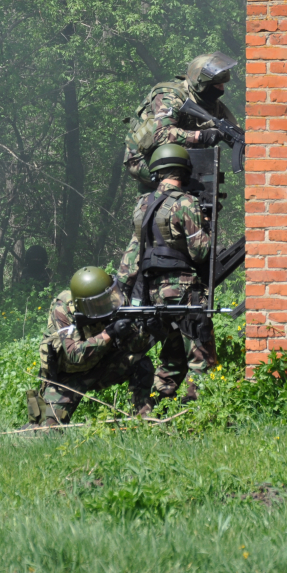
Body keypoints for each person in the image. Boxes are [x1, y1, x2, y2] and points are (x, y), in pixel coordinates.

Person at [117, 144, 216, 402]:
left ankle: (156, 404)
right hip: (184, 290)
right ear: (183, 169)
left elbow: (132, 255)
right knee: (201, 352)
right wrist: (206, 228)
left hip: (154, 294)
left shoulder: (142, 206)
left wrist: (123, 290)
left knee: (173, 354)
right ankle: (200, 410)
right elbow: (200, 253)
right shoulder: (186, 202)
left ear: (158, 171)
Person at [22, 266, 155, 430]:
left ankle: (142, 422)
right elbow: (73, 354)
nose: (106, 303)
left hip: (103, 367)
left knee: (142, 364)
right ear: (85, 304)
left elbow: (134, 348)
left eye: (107, 297)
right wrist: (109, 333)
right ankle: (30, 427)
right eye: (99, 302)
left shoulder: (115, 300)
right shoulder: (63, 309)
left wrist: (146, 330)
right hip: (67, 378)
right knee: (45, 431)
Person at [123, 52, 239, 190]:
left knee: (207, 185)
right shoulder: (171, 96)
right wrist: (202, 136)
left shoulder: (211, 104)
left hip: (178, 157)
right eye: (217, 85)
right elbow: (161, 134)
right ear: (202, 83)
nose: (222, 89)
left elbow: (235, 132)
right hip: (144, 159)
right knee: (183, 182)